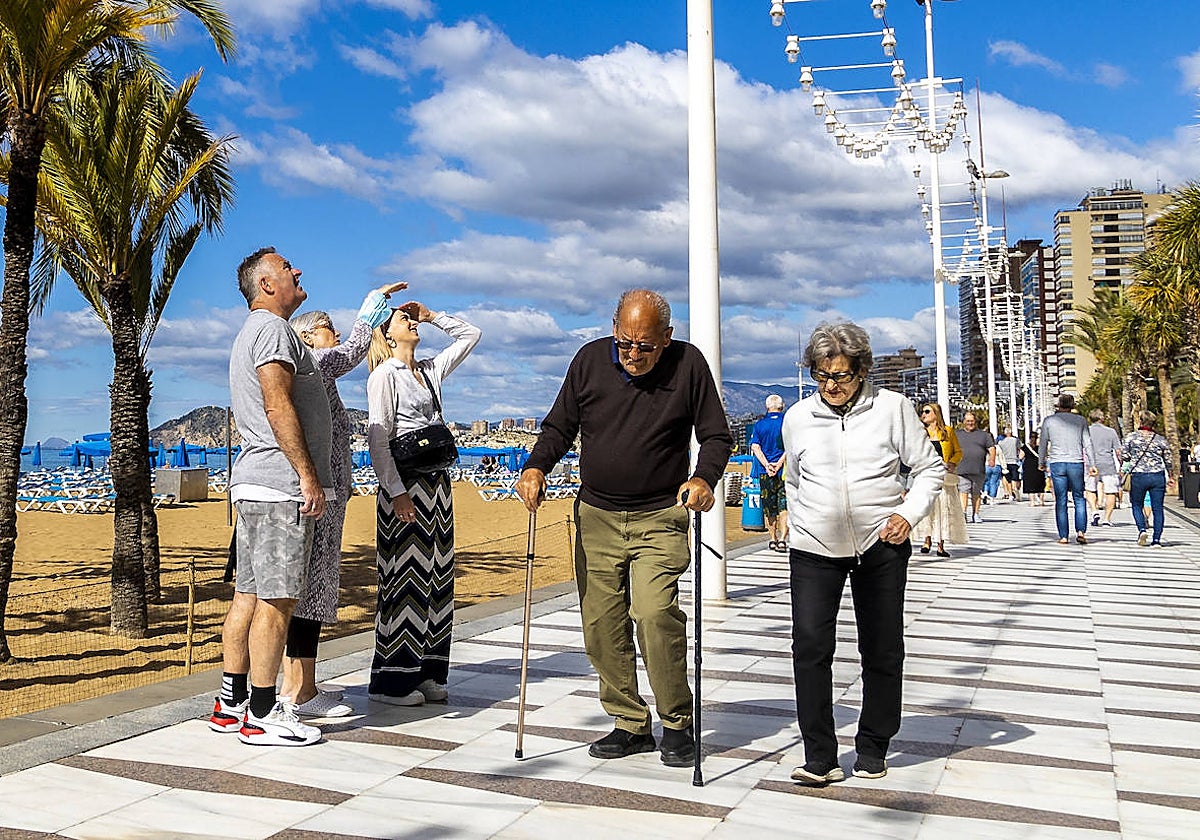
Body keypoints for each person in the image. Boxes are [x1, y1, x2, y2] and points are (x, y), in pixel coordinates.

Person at [515, 289, 732, 768]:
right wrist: (535, 466)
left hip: (660, 515)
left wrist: (703, 478)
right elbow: (559, 427)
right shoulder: (590, 360)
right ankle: (630, 723)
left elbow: (716, 436)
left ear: (667, 338)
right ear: (614, 330)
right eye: (625, 343)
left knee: (654, 614)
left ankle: (677, 721)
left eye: (645, 346)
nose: (633, 354)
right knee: (601, 624)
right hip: (596, 516)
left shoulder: (689, 364)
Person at [782, 322, 944, 785]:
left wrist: (908, 515)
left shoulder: (892, 408)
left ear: (863, 371)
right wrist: (802, 521)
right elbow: (794, 479)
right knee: (810, 648)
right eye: (821, 375)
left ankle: (873, 746)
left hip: (882, 545)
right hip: (814, 548)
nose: (830, 385)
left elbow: (929, 468)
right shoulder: (798, 417)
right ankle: (819, 756)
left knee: (882, 647)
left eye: (841, 375)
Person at [211, 247, 331, 747]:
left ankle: (231, 703)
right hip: (279, 484)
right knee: (277, 601)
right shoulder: (274, 330)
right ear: (266, 284)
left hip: (255, 484)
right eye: (286, 268)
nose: (296, 270)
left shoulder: (252, 331)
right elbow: (277, 403)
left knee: (249, 595)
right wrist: (307, 474)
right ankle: (262, 714)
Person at [278, 281, 407, 718]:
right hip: (321, 495)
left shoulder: (313, 376)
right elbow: (352, 351)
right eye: (327, 326)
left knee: (309, 591)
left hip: (328, 492)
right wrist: (372, 305)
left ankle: (299, 685)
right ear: (307, 336)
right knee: (311, 591)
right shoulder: (313, 363)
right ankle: (300, 691)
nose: (334, 332)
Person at [366, 298, 481, 705]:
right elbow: (378, 440)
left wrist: (433, 316)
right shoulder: (385, 375)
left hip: (437, 484)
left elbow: (471, 335)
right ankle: (392, 682)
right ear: (386, 334)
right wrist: (396, 492)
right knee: (405, 580)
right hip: (406, 485)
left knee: (437, 579)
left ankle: (428, 671)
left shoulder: (429, 371)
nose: (412, 323)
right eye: (404, 319)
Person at [1038, 393, 1097, 546]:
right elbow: (1087, 443)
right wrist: (1093, 464)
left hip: (1057, 462)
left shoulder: (1049, 421)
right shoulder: (1081, 420)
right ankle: (1081, 532)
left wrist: (1041, 461)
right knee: (1079, 497)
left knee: (1061, 500)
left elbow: (1043, 442)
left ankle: (1063, 536)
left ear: (1059, 405)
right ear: (1072, 405)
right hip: (1076, 462)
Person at [911, 402, 966, 558]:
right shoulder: (921, 432)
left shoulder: (948, 432)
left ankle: (940, 544)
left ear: (936, 414)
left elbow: (958, 451)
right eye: (922, 412)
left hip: (944, 475)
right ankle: (927, 540)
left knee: (943, 508)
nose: (923, 415)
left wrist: (952, 463)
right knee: (927, 507)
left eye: (927, 411)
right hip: (925, 474)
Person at [1122, 411, 1175, 547]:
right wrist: (1171, 475)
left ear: (1140, 421)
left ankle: (1142, 529)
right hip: (1157, 476)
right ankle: (1156, 539)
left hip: (1138, 475)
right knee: (1158, 508)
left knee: (1136, 505)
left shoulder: (1131, 437)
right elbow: (1168, 460)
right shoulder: (1160, 439)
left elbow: (1125, 456)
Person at [751, 394, 789, 552]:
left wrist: (767, 465)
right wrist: (779, 463)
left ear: (767, 407)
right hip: (784, 471)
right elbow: (791, 446)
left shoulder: (759, 425)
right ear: (782, 406)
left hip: (765, 472)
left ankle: (773, 538)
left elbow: (755, 447)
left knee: (769, 507)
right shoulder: (787, 423)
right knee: (784, 506)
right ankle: (783, 539)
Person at [1084, 409, 1122, 528]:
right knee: (1111, 491)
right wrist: (1121, 464)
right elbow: (1118, 451)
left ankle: (1094, 510)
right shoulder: (1111, 432)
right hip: (1108, 464)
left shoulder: (1085, 431)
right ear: (1102, 418)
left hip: (1091, 465)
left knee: (1090, 489)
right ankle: (1107, 519)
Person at [956, 413, 995, 523]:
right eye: (968, 421)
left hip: (978, 469)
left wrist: (992, 459)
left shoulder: (984, 435)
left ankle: (976, 514)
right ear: (964, 422)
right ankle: (963, 513)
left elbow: (991, 448)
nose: (970, 423)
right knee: (963, 490)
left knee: (976, 493)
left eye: (972, 421)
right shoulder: (957, 434)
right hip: (962, 469)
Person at [1020, 432, 1046, 506]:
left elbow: (1021, 456)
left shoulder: (1025, 447)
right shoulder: (1040, 447)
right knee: (1040, 484)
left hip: (1029, 466)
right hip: (1039, 465)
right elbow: (1044, 456)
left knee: (1030, 484)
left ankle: (1032, 502)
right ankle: (1041, 501)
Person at [996, 427, 1021, 502]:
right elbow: (1019, 448)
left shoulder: (1001, 442)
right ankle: (1014, 489)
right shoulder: (1015, 440)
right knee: (1014, 478)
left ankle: (1007, 492)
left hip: (1004, 462)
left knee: (1005, 477)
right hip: (1013, 461)